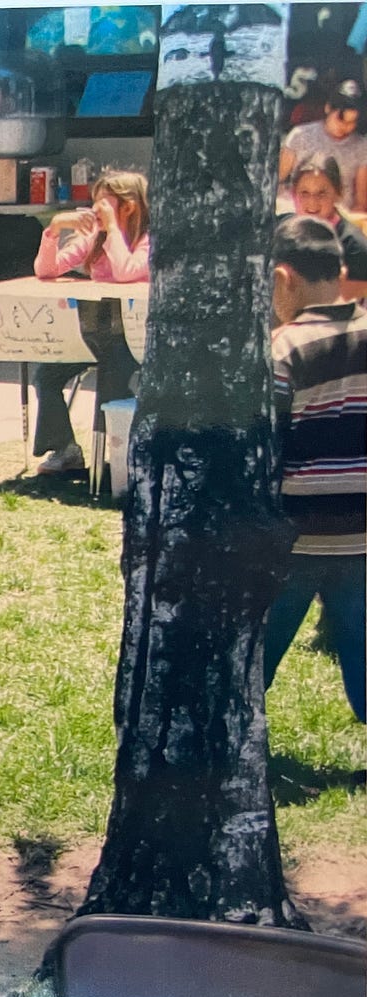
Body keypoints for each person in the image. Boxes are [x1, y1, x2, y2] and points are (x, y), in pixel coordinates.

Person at [266, 215, 366, 723]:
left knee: (257, 653)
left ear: (282, 279)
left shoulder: (283, 349)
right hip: (364, 534)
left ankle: (231, 736)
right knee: (361, 650)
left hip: (299, 534)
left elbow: (269, 445)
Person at [30, 169, 150, 474]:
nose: (96, 209)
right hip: (94, 331)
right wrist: (55, 230)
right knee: (46, 374)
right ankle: (64, 448)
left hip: (132, 338)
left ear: (129, 205)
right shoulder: (94, 238)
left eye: (104, 203)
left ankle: (112, 459)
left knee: (112, 380)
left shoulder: (149, 240)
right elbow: (47, 270)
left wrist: (113, 230)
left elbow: (126, 272)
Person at [285, 153, 367, 299]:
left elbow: (341, 305)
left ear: (338, 193)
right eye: (304, 193)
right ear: (293, 194)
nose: (312, 203)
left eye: (322, 193)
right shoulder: (283, 234)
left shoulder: (355, 247)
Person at [281, 79, 367, 212]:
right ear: (328, 108)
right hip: (298, 213)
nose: (345, 127)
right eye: (340, 119)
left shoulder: (362, 146)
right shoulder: (300, 135)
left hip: (339, 218)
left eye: (352, 122)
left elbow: (360, 202)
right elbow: (276, 179)